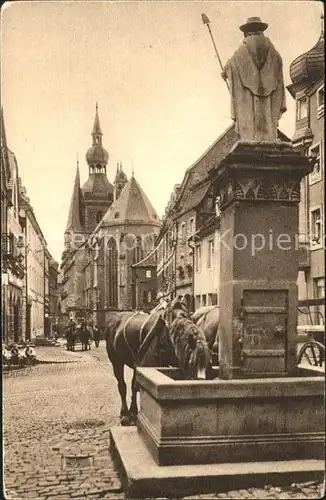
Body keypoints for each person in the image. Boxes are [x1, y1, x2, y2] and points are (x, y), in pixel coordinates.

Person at [222, 17, 286, 142]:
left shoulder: (242, 49)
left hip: (248, 97)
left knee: (249, 115)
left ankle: (250, 137)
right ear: (261, 30)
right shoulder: (273, 51)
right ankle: (268, 137)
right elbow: (278, 67)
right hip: (269, 95)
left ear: (247, 32)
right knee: (267, 115)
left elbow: (231, 66)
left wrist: (225, 72)